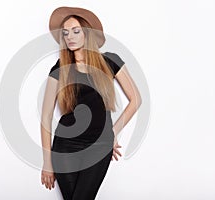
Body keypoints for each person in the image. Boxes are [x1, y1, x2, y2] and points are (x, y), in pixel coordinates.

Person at [40, 6, 142, 200]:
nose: (70, 36)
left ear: (87, 33)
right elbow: (46, 115)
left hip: (100, 146)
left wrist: (113, 131)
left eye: (76, 31)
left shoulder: (110, 61)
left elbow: (136, 99)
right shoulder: (60, 68)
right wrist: (47, 162)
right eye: (65, 33)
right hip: (65, 148)